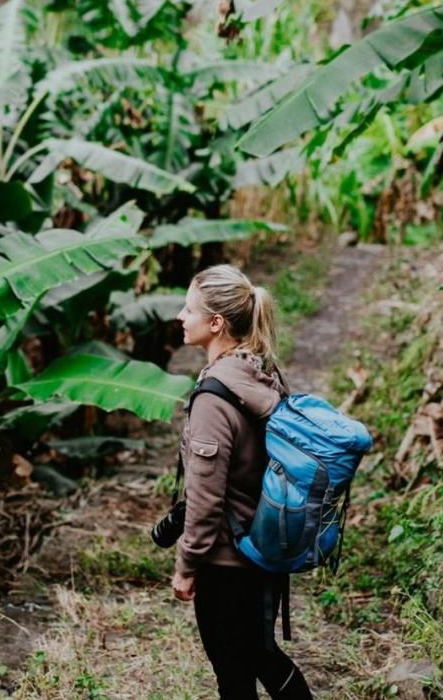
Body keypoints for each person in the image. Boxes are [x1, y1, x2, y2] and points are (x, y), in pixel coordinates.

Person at [172, 264, 313, 700]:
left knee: (237, 675)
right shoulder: (259, 372)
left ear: (216, 323)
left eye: (189, 308)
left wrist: (186, 565)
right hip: (260, 548)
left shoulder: (214, 397)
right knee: (261, 655)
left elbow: (205, 498)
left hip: (226, 563)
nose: (180, 315)